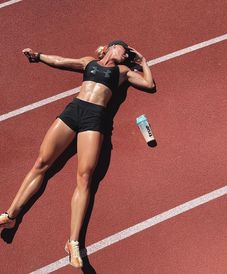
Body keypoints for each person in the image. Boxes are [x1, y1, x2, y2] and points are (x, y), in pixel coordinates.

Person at [0, 40, 155, 268]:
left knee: (85, 178)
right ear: (113, 47)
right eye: (126, 50)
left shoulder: (123, 72)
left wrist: (143, 62)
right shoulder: (89, 63)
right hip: (74, 110)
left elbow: (149, 84)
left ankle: (73, 242)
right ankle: (10, 216)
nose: (127, 55)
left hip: (96, 118)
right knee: (41, 163)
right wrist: (38, 56)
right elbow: (62, 61)